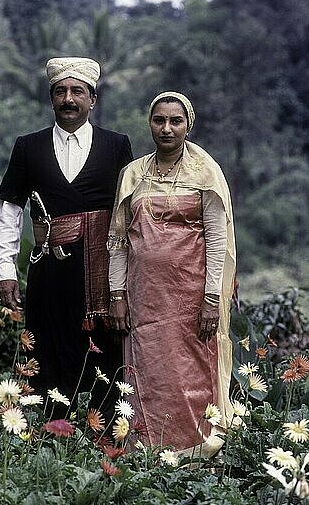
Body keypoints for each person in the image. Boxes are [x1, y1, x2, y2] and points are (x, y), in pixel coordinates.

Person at [0, 57, 133, 407]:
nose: (69, 98)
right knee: (46, 358)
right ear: (51, 98)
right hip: (49, 274)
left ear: (93, 99)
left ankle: (106, 445)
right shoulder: (29, 146)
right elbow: (9, 208)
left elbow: (130, 213)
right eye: (61, 92)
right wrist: (4, 269)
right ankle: (48, 438)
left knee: (106, 363)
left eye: (77, 91)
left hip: (103, 279)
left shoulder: (117, 146)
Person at [108, 91, 236, 456]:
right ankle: (148, 453)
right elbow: (118, 240)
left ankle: (198, 454)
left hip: (192, 300)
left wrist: (212, 299)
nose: (166, 129)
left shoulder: (206, 173)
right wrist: (117, 295)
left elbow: (216, 238)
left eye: (175, 121)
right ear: (149, 123)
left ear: (188, 125)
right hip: (143, 299)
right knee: (148, 374)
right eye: (159, 120)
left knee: (190, 375)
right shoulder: (133, 174)